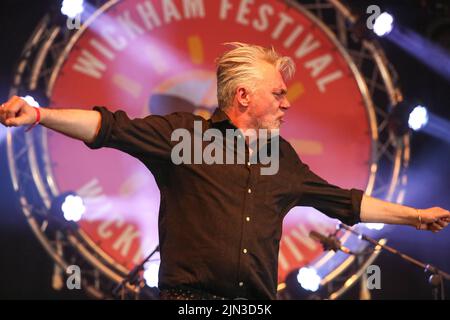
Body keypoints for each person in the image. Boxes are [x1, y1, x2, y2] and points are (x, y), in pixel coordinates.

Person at [0, 43, 449, 300]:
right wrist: (40, 115)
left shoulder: (284, 158)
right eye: (277, 93)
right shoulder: (183, 136)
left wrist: (414, 217)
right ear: (243, 97)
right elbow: (107, 127)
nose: (287, 103)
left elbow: (345, 202)